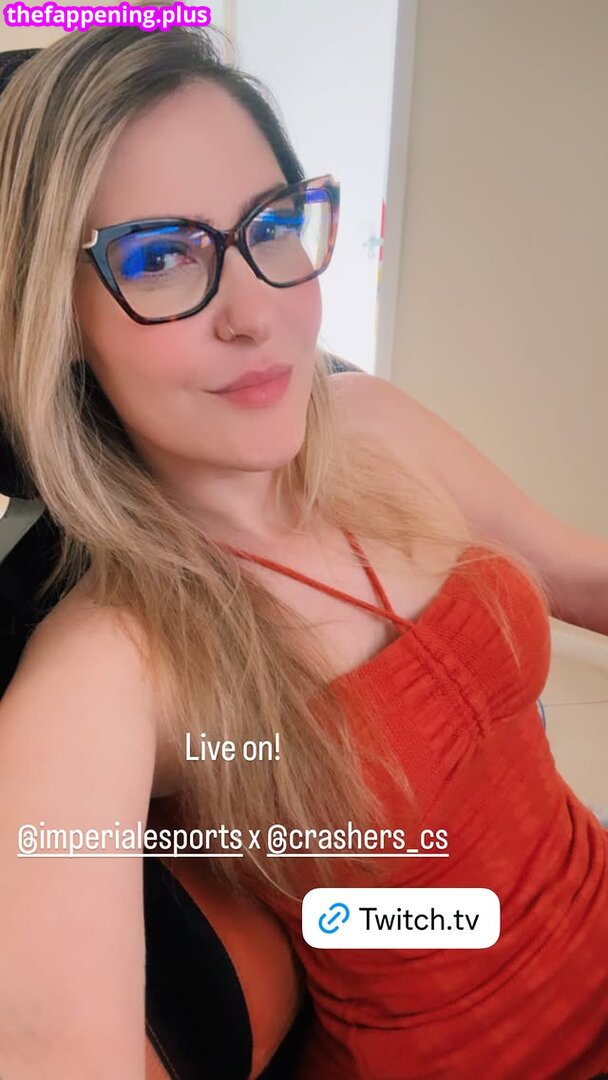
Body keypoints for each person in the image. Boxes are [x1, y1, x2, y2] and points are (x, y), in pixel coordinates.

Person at [0, 19, 605, 1080]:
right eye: (158, 255)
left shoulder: (367, 424)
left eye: (270, 224)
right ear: (60, 321)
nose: (257, 311)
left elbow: (579, 577)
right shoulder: (106, 665)